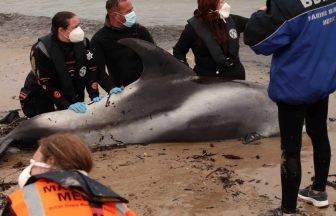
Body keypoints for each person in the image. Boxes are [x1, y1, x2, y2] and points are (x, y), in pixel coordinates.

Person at [244, 0, 336, 215]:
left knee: (291, 149)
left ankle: (288, 210)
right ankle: (318, 190)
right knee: (319, 133)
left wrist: (260, 14)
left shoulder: (286, 4)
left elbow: (257, 40)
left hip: (294, 85)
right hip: (321, 78)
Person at [1, 133, 135, 216]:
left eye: (33, 162)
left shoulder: (21, 200)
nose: (30, 168)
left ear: (50, 161)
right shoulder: (115, 203)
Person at [19, 11, 101, 118]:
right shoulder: (42, 49)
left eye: (79, 25)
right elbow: (45, 82)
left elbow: (91, 69)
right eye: (75, 27)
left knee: (75, 116)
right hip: (42, 89)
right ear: (61, 30)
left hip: (69, 83)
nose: (79, 30)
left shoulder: (83, 43)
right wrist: (66, 104)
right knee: (45, 122)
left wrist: (94, 93)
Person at [91, 0, 155, 95]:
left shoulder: (140, 31)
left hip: (147, 84)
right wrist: (110, 88)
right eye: (128, 11)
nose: (132, 13)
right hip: (121, 90)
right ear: (115, 15)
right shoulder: (99, 39)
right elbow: (99, 70)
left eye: (132, 10)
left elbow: (155, 58)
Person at [173, 0, 248, 79]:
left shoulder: (234, 20)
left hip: (236, 76)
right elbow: (179, 51)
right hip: (206, 80)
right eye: (221, 2)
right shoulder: (193, 28)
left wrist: (261, 13)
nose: (226, 4)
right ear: (210, 5)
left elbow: (256, 25)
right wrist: (186, 72)